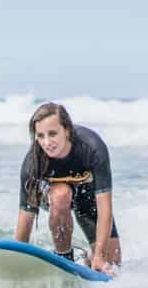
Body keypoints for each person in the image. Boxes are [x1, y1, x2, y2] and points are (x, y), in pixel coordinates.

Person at [14, 102, 121, 273]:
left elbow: (105, 208)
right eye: (40, 136)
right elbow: (26, 218)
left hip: (88, 197)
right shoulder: (33, 162)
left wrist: (99, 256)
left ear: (67, 130)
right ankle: (64, 256)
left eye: (52, 134)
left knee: (113, 265)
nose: (47, 142)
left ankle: (83, 259)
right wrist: (16, 261)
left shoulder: (92, 148)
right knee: (61, 194)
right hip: (54, 197)